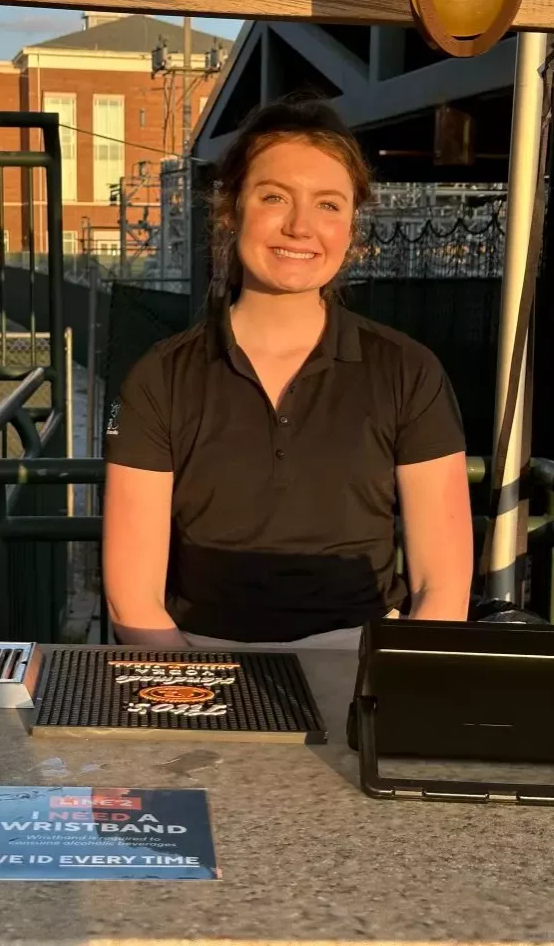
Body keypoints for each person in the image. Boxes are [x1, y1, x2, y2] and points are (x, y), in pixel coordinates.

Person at [102, 95, 473, 648]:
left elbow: (441, 586)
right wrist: (195, 700)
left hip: (364, 659)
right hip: (201, 660)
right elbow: (133, 597)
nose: (302, 227)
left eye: (328, 205)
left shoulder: (409, 371)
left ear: (352, 225)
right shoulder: (159, 377)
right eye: (275, 197)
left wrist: (395, 692)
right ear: (231, 210)